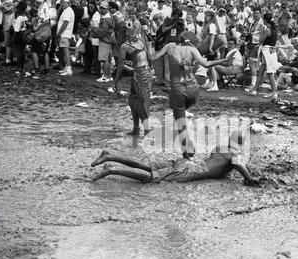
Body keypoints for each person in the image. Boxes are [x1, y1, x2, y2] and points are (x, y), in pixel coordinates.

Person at [147, 31, 234, 159]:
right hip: (193, 89)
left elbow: (152, 58)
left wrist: (150, 46)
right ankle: (188, 141)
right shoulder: (192, 50)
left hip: (178, 88)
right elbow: (206, 64)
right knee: (182, 117)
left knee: (180, 124)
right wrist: (224, 59)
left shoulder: (170, 47)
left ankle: (187, 156)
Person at [90, 130, 260, 186]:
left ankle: (110, 156)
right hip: (192, 170)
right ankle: (112, 169)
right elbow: (247, 175)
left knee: (146, 165)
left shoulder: (219, 147)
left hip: (187, 163)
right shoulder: (235, 155)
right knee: (151, 178)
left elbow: (216, 163)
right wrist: (252, 180)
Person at [115, 19, 152, 136]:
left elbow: (120, 66)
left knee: (140, 102)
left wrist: (116, 81)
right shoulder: (140, 41)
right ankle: (137, 128)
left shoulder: (125, 46)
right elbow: (149, 58)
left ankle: (145, 129)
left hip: (140, 74)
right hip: (145, 73)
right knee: (134, 100)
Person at [245, 12, 280, 98]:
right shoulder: (274, 29)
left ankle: (274, 92)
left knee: (270, 73)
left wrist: (261, 31)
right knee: (261, 71)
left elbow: (260, 40)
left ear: (265, 20)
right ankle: (254, 90)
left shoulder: (267, 30)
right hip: (269, 51)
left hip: (268, 51)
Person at [91, 0, 114, 82]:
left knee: (105, 60)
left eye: (103, 9)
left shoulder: (105, 19)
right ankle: (108, 75)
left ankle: (105, 76)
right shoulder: (110, 17)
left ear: (107, 9)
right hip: (108, 40)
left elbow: (102, 32)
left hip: (105, 41)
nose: (102, 10)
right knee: (107, 59)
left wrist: (94, 31)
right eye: (101, 8)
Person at [32, 0, 51, 75]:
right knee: (44, 51)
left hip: (41, 33)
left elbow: (47, 21)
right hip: (46, 32)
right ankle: (46, 68)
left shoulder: (44, 7)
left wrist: (37, 27)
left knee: (34, 50)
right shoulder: (45, 6)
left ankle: (36, 67)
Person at [56, 0, 75, 76]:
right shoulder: (67, 10)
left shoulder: (68, 11)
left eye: (63, 2)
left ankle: (69, 69)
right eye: (61, 2)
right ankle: (66, 68)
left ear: (67, 2)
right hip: (66, 34)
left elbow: (65, 23)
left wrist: (59, 33)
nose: (61, 4)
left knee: (66, 52)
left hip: (65, 34)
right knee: (65, 52)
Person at [0, 0, 14, 65]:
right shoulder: (13, 7)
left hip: (7, 27)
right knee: (12, 44)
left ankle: (8, 60)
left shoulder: (8, 7)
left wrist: (5, 2)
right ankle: (14, 59)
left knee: (7, 44)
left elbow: (0, 6)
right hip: (12, 27)